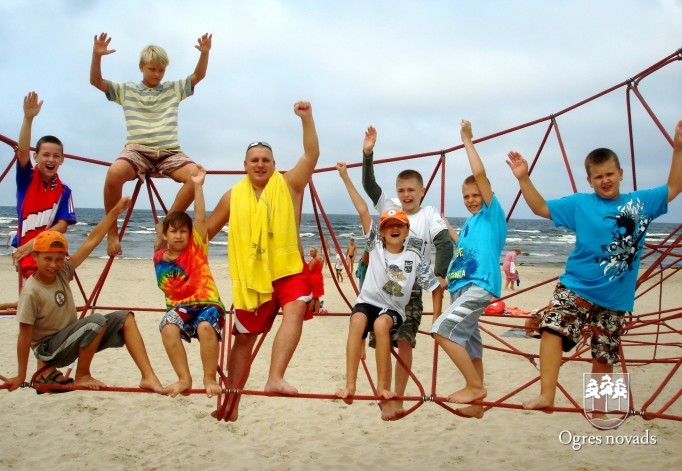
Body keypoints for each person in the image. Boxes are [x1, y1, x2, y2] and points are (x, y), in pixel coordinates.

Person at [506, 119, 682, 411]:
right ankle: (546, 395)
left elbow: (675, 186)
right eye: (598, 176)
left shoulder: (641, 203)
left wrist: (678, 149)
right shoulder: (580, 204)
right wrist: (523, 178)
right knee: (552, 329)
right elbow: (541, 208)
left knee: (604, 354)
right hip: (576, 285)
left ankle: (600, 409)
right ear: (589, 180)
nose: (605, 180)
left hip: (614, 298)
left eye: (610, 173)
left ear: (621, 174)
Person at [206, 101, 319, 421]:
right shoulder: (232, 196)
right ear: (245, 164)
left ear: (274, 164)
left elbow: (311, 154)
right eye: (254, 160)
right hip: (253, 277)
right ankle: (230, 403)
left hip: (288, 268)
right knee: (243, 340)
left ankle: (275, 377)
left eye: (265, 160)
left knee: (296, 307)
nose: (260, 164)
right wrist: (178, 224)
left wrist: (306, 119)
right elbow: (206, 232)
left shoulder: (289, 184)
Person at [3, 197, 165, 393]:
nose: (53, 265)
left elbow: (91, 241)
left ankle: (148, 376)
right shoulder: (31, 291)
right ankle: (82, 374)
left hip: (73, 340)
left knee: (126, 318)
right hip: (49, 351)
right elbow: (24, 336)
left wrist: (115, 211)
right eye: (47, 259)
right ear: (35, 257)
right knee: (95, 321)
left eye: (59, 259)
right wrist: (20, 375)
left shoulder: (63, 271)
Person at [89, 32, 212, 256]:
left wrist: (204, 53)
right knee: (114, 173)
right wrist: (97, 56)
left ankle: (165, 227)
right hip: (137, 150)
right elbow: (96, 81)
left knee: (195, 176)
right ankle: (112, 233)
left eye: (161, 70)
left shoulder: (173, 89)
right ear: (141, 67)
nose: (157, 74)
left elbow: (198, 75)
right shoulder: (127, 90)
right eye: (152, 69)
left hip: (169, 151)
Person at [335, 162, 440, 420]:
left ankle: (384, 387)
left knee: (382, 326)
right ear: (380, 231)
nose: (394, 228)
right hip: (368, 302)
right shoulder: (376, 245)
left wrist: (437, 319)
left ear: (406, 230)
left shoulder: (414, 257)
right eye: (388, 225)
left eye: (399, 225)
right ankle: (350, 385)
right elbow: (363, 209)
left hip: (393, 309)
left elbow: (436, 289)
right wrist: (345, 176)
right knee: (356, 321)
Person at [362, 125, 451, 419]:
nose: (406, 195)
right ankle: (385, 394)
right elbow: (370, 186)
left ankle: (398, 397)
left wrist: (440, 275)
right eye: (401, 190)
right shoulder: (391, 208)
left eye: (411, 190)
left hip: (411, 290)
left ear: (422, 191)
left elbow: (444, 243)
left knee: (404, 341)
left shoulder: (428, 215)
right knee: (382, 340)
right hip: (384, 290)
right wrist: (367, 154)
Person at [431, 120, 507, 419]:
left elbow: (480, 175)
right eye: (466, 197)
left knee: (441, 330)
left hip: (479, 285)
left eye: (475, 195)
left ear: (486, 195)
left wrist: (466, 140)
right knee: (472, 346)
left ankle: (475, 387)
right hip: (459, 288)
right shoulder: (471, 224)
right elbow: (460, 244)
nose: (471, 200)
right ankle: (478, 406)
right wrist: (447, 226)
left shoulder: (492, 215)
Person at [153, 166, 225, 399]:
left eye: (183, 231)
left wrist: (197, 186)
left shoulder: (196, 247)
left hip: (207, 304)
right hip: (180, 308)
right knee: (168, 326)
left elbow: (200, 217)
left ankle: (209, 378)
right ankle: (184, 378)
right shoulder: (158, 257)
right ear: (165, 235)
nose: (178, 235)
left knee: (205, 327)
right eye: (173, 231)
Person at [14, 92, 76, 280]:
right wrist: (28, 118)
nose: (51, 159)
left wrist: (33, 244)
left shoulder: (64, 191)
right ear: (36, 157)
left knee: (57, 294)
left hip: (53, 255)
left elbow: (62, 225)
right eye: (46, 155)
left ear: (62, 160)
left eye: (56, 156)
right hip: (28, 256)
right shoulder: (27, 179)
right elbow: (22, 151)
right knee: (32, 293)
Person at [308, 246, 324, 313]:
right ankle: (316, 311)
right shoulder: (320, 259)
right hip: (319, 277)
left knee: (311, 296)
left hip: (313, 278)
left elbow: (309, 271)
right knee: (316, 297)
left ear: (316, 252)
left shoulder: (314, 260)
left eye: (312, 251)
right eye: (310, 251)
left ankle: (310, 311)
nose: (310, 252)